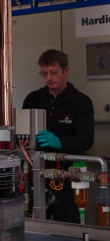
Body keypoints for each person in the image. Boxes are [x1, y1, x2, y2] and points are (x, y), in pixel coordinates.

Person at [23, 49, 94, 224]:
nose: (49, 78)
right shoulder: (33, 99)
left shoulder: (81, 102)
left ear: (66, 70)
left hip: (68, 174)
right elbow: (23, 135)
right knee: (36, 225)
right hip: (36, 172)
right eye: (45, 73)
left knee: (67, 225)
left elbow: (86, 140)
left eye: (54, 72)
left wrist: (59, 142)